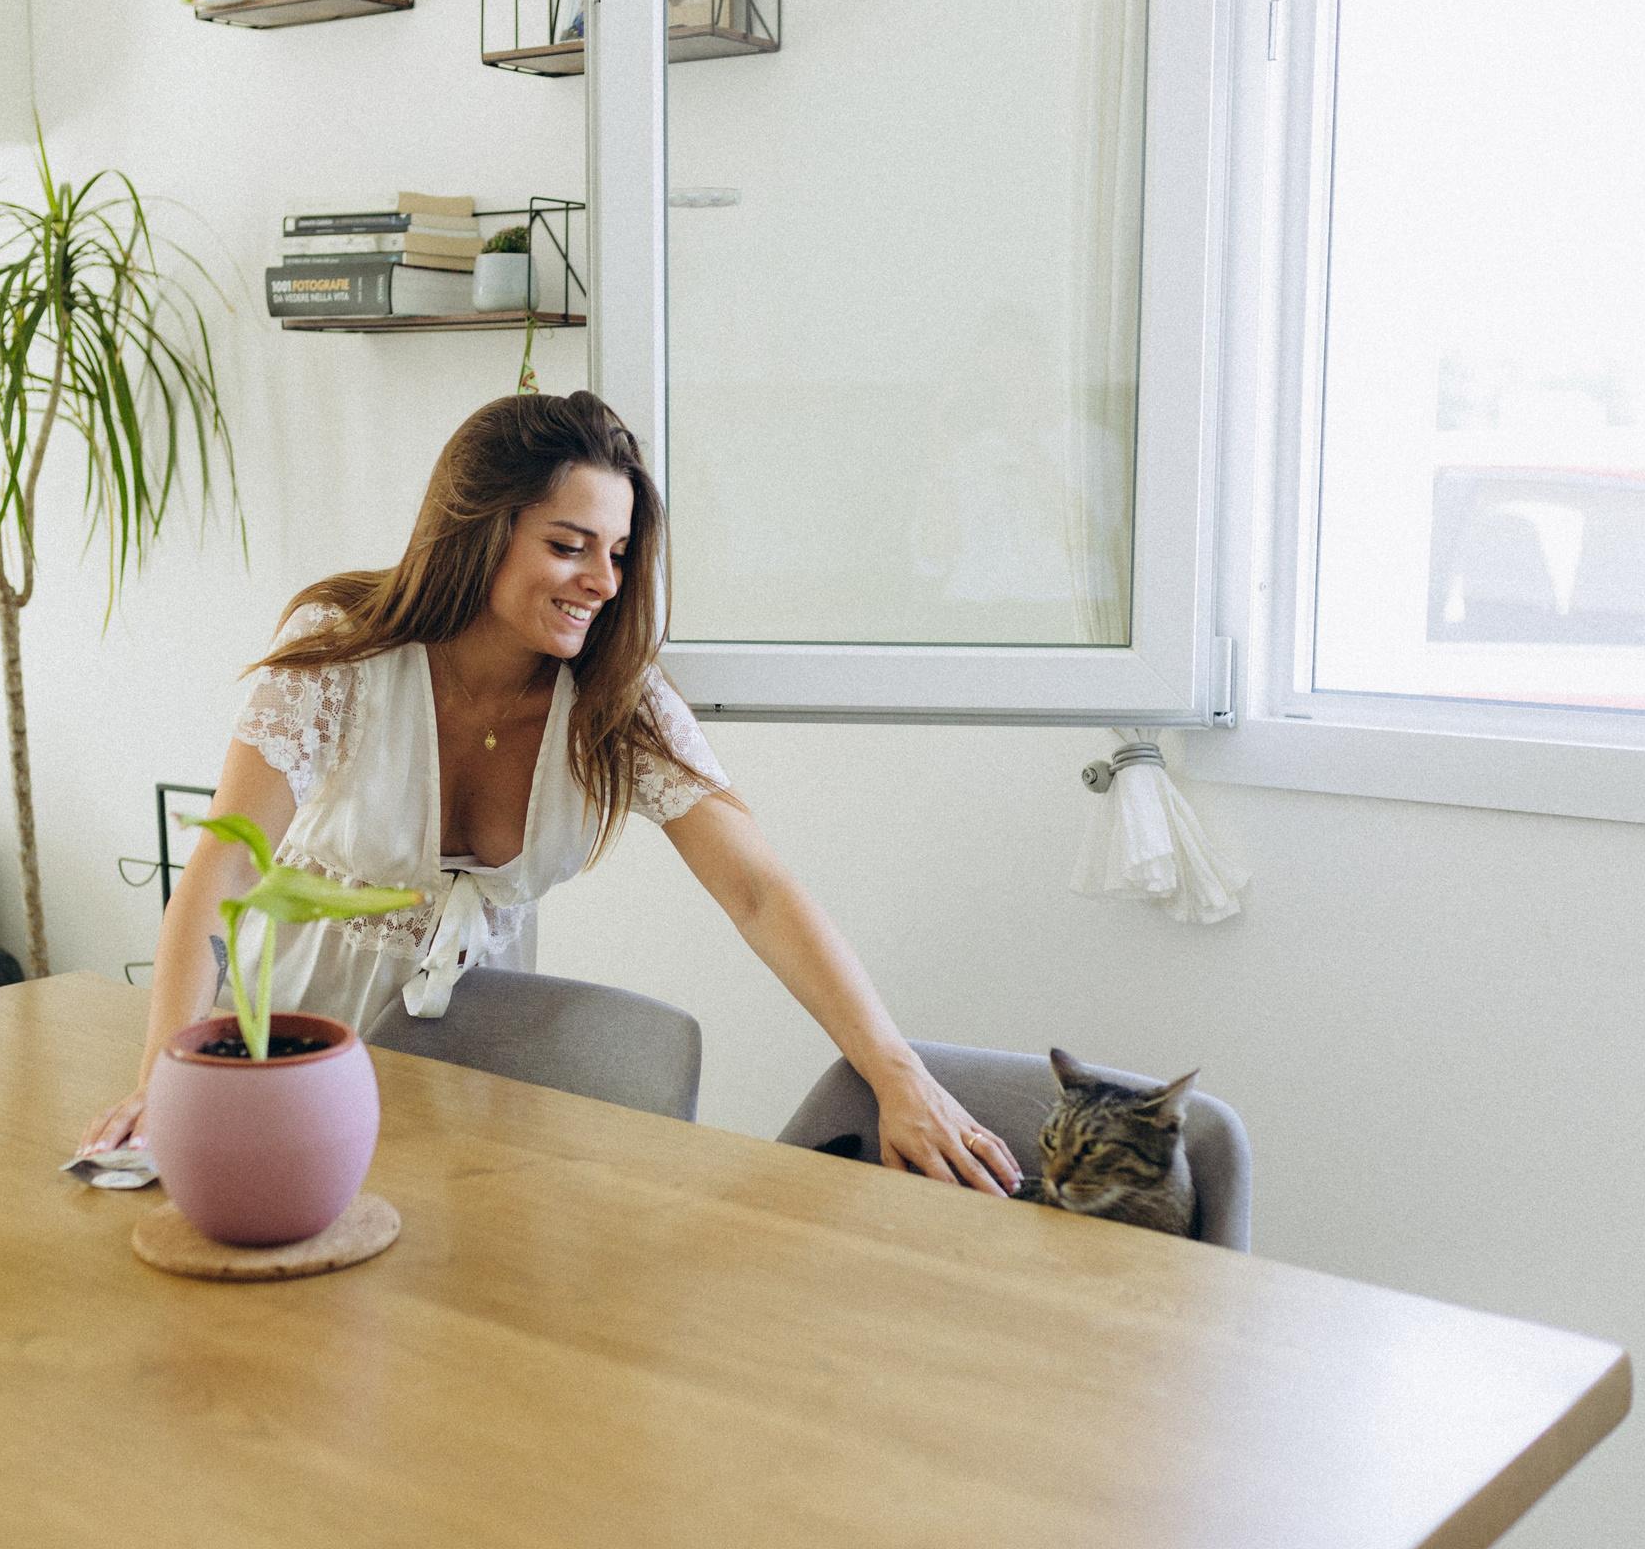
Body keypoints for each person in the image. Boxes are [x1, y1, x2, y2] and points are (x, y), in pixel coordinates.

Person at [78, 392, 1019, 1194]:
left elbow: (758, 888)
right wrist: (169, 1075)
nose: (602, 582)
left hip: (479, 1064)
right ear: (483, 527)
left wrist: (898, 1072)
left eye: (616, 551)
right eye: (570, 545)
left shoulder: (617, 699)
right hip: (287, 1048)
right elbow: (224, 868)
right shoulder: (348, 656)